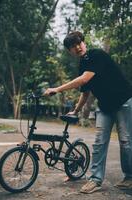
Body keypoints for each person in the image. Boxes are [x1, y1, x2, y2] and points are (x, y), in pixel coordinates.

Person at [44, 31, 132, 193]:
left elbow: (84, 80)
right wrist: (75, 111)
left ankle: (129, 177)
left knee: (126, 141)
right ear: (69, 51)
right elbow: (85, 92)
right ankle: (95, 179)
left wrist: (57, 89)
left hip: (123, 101)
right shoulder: (82, 65)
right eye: (72, 46)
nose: (77, 47)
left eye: (79, 43)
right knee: (99, 142)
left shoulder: (96, 55)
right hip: (105, 106)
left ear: (84, 43)